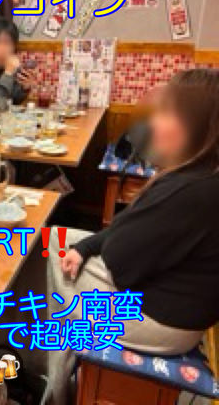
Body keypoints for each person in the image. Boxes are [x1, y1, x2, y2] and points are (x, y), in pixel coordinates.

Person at [47, 69, 219, 404]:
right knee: (61, 240)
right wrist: (87, 246)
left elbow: (119, 259)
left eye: (166, 113)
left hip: (160, 324)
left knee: (55, 251)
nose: (153, 122)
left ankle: (55, 386)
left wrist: (91, 248)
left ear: (195, 125)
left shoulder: (190, 189)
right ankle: (61, 367)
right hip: (177, 311)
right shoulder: (202, 174)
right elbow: (126, 230)